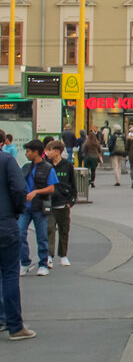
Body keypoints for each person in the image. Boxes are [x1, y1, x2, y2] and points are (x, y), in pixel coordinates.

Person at [0, 129, 35, 340]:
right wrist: (17, 211)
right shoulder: (6, 161)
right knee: (10, 275)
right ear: (3, 142)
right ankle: (15, 326)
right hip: (4, 224)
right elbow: (19, 189)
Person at [19, 139, 57, 276]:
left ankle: (43, 263)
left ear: (36, 152)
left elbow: (52, 188)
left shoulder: (48, 168)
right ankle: (25, 261)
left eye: (28, 151)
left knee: (42, 237)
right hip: (25, 207)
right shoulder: (26, 167)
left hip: (40, 206)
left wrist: (36, 192)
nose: (26, 154)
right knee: (19, 233)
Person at [44, 139, 74, 267]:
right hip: (49, 203)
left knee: (64, 230)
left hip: (63, 203)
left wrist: (70, 202)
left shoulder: (67, 165)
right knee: (49, 229)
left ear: (57, 152)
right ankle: (49, 256)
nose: (46, 153)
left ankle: (63, 255)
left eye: (49, 150)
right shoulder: (46, 165)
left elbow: (73, 184)